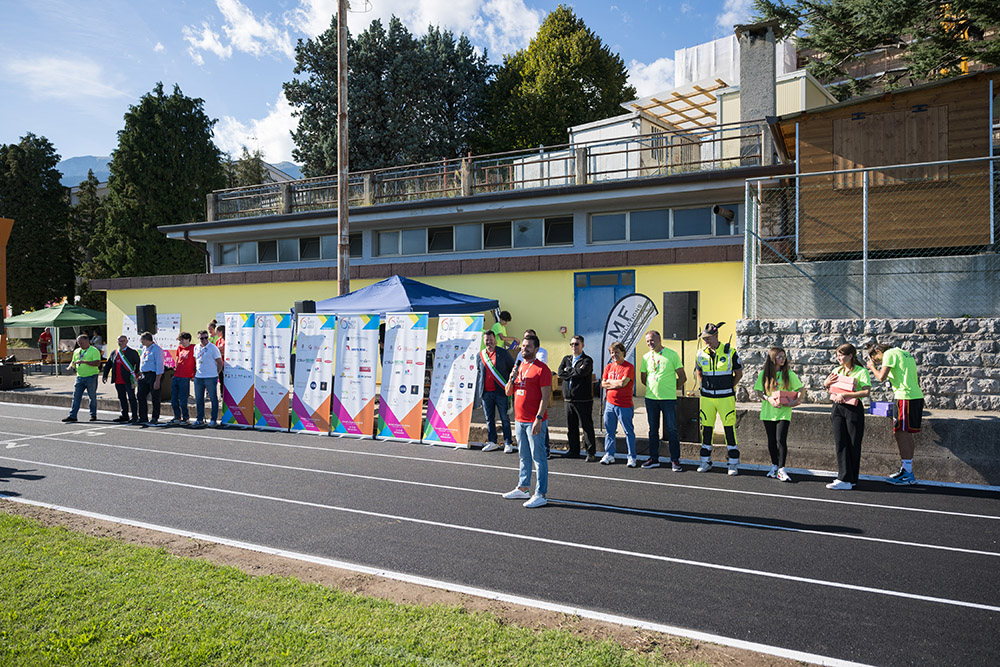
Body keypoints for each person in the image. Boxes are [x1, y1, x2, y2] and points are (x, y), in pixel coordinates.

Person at [501, 334, 552, 508]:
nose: (524, 349)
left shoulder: (542, 369)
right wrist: (511, 377)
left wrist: (539, 418)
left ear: (536, 349)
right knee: (523, 456)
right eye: (523, 346)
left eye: (528, 346)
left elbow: (546, 397)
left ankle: (541, 494)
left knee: (539, 458)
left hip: (534, 421)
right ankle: (523, 488)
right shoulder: (519, 366)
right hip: (519, 420)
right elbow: (508, 392)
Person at [866, 342, 924, 486]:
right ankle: (906, 469)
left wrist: (872, 367)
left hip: (905, 397)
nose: (877, 362)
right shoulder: (904, 353)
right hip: (915, 395)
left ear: (878, 350)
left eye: (875, 358)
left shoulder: (889, 354)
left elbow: (881, 377)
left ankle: (908, 473)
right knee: (906, 433)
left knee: (900, 433)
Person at [694, 322, 743, 475]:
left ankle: (733, 463)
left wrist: (728, 387)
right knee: (707, 429)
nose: (706, 341)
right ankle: (705, 461)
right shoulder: (700, 354)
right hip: (707, 398)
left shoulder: (730, 352)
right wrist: (705, 387)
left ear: (716, 336)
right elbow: (699, 373)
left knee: (729, 429)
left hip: (725, 398)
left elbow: (739, 374)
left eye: (708, 338)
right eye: (704, 339)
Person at [823, 343, 871, 490]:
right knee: (840, 443)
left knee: (853, 444)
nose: (838, 358)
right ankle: (844, 478)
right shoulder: (836, 371)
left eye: (841, 355)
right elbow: (831, 389)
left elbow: (866, 392)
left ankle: (851, 479)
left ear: (850, 356)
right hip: (838, 408)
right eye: (837, 355)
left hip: (853, 408)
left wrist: (846, 394)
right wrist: (826, 384)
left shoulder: (861, 371)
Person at [753, 346, 803, 482]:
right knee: (771, 440)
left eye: (784, 357)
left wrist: (795, 402)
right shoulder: (764, 374)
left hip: (783, 412)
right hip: (768, 412)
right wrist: (768, 399)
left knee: (781, 440)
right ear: (772, 358)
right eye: (779, 357)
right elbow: (759, 392)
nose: (782, 359)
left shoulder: (789, 374)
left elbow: (800, 389)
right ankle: (774, 466)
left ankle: (782, 469)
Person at [640, 330, 687, 471]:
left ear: (659, 339)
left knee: (672, 430)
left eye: (652, 340)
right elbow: (643, 378)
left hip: (668, 399)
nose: (650, 343)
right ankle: (653, 458)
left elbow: (683, 377)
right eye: (647, 341)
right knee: (653, 430)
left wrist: (672, 388)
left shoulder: (672, 354)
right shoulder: (646, 357)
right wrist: (654, 388)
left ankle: (675, 460)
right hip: (651, 399)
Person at [556, 335, 597, 462]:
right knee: (571, 427)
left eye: (576, 344)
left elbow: (582, 373)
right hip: (568, 400)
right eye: (572, 344)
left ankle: (590, 452)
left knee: (586, 427)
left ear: (582, 345)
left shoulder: (587, 360)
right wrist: (573, 371)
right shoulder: (566, 359)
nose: (574, 346)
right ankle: (574, 450)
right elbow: (560, 373)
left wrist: (568, 370)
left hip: (583, 400)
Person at [476, 331, 515, 453]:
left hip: (501, 392)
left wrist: (510, 386)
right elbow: (479, 372)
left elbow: (512, 368)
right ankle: (492, 442)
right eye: (487, 340)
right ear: (484, 341)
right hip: (486, 393)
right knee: (489, 419)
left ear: (495, 340)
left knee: (504, 419)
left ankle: (508, 442)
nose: (489, 342)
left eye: (491, 339)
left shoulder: (503, 353)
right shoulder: (480, 355)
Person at [601, 341, 637, 467]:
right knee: (609, 431)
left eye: (616, 352)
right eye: (612, 352)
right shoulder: (609, 367)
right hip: (609, 404)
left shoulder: (628, 367)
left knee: (628, 432)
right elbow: (603, 384)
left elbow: (623, 383)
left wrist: (610, 382)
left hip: (624, 405)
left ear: (623, 352)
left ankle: (632, 457)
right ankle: (609, 454)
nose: (614, 355)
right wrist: (615, 382)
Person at [61, 334, 102, 423]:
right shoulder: (77, 351)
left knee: (92, 396)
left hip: (91, 376)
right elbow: (74, 361)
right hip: (79, 376)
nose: (80, 345)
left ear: (87, 341)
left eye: (82, 343)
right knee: (76, 396)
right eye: (79, 343)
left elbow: (97, 363)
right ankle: (73, 415)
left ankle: (93, 414)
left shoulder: (94, 350)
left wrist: (84, 362)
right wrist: (71, 365)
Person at [101, 335, 140, 423]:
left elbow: (138, 364)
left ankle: (134, 416)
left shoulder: (132, 352)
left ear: (126, 342)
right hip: (118, 380)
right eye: (119, 341)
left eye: (123, 341)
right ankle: (124, 415)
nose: (121, 343)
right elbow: (108, 365)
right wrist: (105, 376)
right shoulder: (114, 352)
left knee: (131, 397)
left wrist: (136, 375)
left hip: (129, 380)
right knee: (122, 398)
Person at [193, 329, 223, 428]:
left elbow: (219, 362)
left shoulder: (213, 348)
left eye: (206, 337)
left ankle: (213, 419)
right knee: (199, 399)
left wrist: (216, 373)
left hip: (210, 377)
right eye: (202, 338)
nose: (204, 340)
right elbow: (195, 360)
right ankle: (199, 419)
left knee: (213, 398)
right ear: (198, 338)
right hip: (199, 377)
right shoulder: (196, 347)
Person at [136, 332, 164, 425]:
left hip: (153, 375)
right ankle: (143, 416)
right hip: (144, 375)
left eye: (142, 340)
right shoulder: (144, 348)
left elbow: (159, 365)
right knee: (140, 395)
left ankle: (155, 417)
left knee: (155, 397)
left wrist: (157, 380)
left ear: (147, 340)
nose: (141, 342)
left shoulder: (157, 349)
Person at [169, 332, 195, 424]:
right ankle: (177, 416)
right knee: (173, 399)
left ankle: (185, 417)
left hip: (185, 376)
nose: (181, 342)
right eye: (180, 340)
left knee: (183, 399)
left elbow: (196, 361)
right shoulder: (180, 348)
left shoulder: (193, 348)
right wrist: (175, 370)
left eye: (182, 340)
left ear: (188, 339)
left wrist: (194, 374)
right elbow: (177, 359)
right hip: (177, 375)